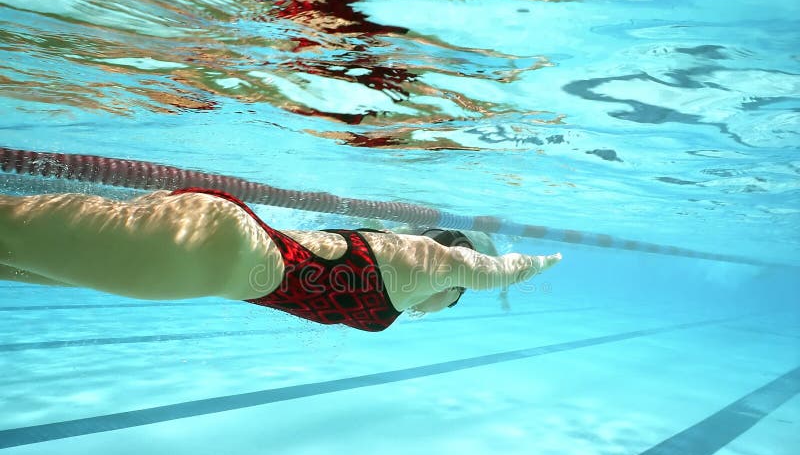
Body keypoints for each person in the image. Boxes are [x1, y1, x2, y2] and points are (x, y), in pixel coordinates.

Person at [0, 187, 562, 331]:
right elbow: (496, 272)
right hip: (207, 251)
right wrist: (539, 265)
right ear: (454, 260)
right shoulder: (426, 261)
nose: (450, 303)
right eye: (458, 299)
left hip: (209, 249)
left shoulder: (405, 261)